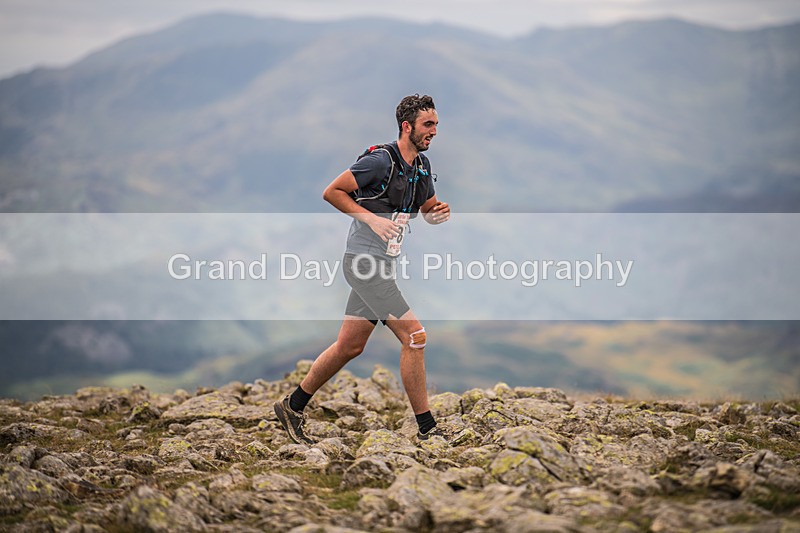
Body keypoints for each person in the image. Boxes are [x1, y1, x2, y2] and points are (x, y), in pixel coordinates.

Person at [274, 94, 451, 444]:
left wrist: (437, 213)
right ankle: (428, 430)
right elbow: (333, 191)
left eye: (436, 125)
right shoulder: (379, 161)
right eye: (428, 125)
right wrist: (372, 220)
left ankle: (292, 407)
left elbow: (428, 207)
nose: (434, 131)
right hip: (364, 263)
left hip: (383, 265)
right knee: (414, 337)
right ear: (407, 126)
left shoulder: (421, 167)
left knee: (349, 346)